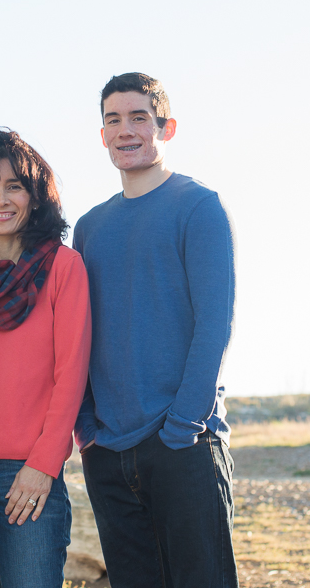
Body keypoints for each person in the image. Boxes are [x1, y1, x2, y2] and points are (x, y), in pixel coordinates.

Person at [73, 73, 238, 587]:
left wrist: (183, 426)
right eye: (113, 120)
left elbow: (214, 324)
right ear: (102, 135)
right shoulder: (89, 227)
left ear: (165, 126)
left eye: (138, 117)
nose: (125, 130)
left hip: (184, 445)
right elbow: (79, 333)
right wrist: (87, 432)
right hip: (109, 452)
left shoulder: (198, 206)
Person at [0, 128, 91, 588]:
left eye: (14, 186)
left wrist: (44, 464)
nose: (0, 199)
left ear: (35, 196)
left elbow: (71, 374)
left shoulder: (63, 266)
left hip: (28, 473)